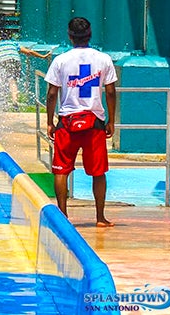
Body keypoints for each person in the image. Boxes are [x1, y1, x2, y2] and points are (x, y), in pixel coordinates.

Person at [44, 17, 117, 227]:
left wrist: (50, 121)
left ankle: (63, 216)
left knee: (61, 170)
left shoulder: (61, 60)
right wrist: (111, 120)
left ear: (69, 36)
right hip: (94, 123)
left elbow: (51, 94)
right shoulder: (103, 59)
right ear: (90, 35)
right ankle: (100, 217)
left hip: (67, 122)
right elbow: (110, 92)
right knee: (98, 172)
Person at [0, 35, 51, 111]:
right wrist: (43, 56)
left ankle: (3, 102)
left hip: (2, 62)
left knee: (2, 82)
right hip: (15, 61)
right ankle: (15, 102)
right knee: (12, 81)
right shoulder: (13, 43)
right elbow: (29, 51)